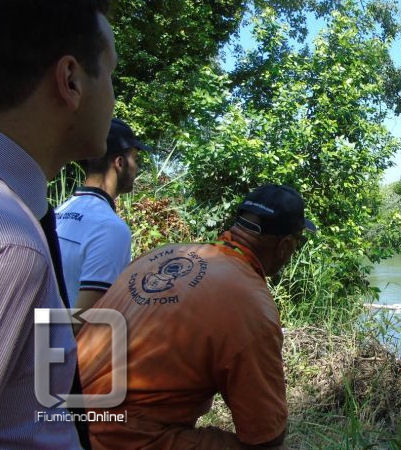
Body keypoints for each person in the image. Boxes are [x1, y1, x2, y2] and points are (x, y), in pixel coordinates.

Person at [78, 184, 315, 449]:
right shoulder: (252, 305)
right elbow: (266, 434)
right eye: (297, 244)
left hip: (62, 414)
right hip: (116, 435)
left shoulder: (160, 256)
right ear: (285, 246)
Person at [0, 0, 116, 448]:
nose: (113, 96)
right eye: (110, 74)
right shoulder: (14, 244)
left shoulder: (29, 212)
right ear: (70, 80)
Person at [57, 118, 149, 310]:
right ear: (120, 163)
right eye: (136, 159)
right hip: (59, 340)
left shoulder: (59, 212)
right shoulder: (110, 229)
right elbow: (87, 320)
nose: (137, 168)